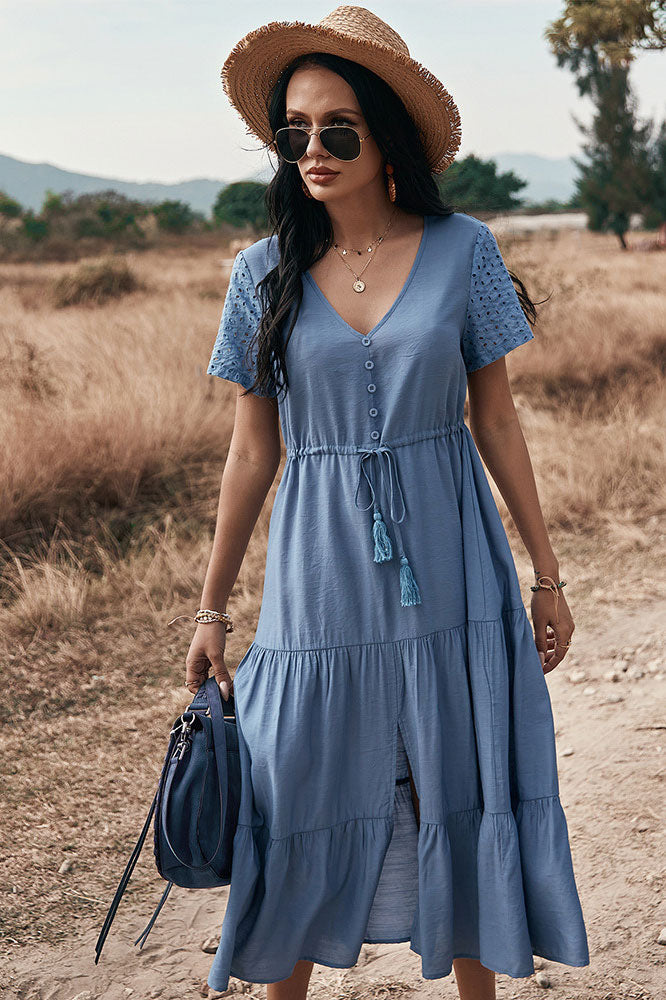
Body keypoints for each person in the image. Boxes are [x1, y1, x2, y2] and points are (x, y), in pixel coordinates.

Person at [181, 7, 590, 1000]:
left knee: (462, 777)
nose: (314, 151)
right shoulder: (261, 273)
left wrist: (546, 576)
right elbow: (252, 449)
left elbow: (497, 420)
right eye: (295, 132)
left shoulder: (464, 251)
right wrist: (211, 608)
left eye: (339, 129)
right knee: (296, 784)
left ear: (388, 136)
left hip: (452, 562)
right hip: (319, 575)